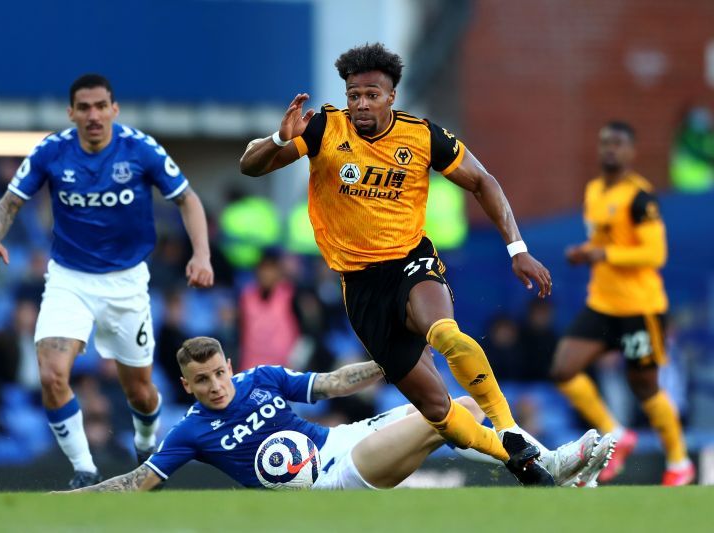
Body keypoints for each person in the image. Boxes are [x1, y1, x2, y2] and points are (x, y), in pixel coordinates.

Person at [239, 43, 554, 484]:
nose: (361, 104)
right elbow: (250, 168)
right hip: (359, 284)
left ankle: (509, 426)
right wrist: (279, 138)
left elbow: (483, 181)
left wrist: (517, 250)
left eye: (371, 94)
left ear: (391, 97)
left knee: (443, 331)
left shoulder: (422, 136)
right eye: (354, 95)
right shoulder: (324, 128)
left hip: (410, 260)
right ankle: (516, 460)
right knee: (437, 409)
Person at [0, 74, 214, 489]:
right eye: (84, 108)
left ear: (114, 109)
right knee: (52, 374)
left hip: (126, 284)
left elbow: (187, 198)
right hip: (69, 279)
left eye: (100, 106)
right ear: (71, 113)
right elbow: (10, 201)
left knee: (140, 392)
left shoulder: (140, 149)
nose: (93, 115)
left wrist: (201, 254)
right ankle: (84, 470)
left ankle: (145, 444)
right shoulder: (51, 151)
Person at [63, 337, 614, 492]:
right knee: (436, 417)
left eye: (219, 374)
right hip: (330, 478)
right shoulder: (190, 431)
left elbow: (328, 384)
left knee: (463, 405)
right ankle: (547, 467)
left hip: (343, 440)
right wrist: (66, 504)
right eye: (201, 381)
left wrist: (386, 362)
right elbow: (139, 481)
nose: (215, 386)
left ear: (230, 366)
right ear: (186, 385)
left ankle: (550, 471)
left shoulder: (261, 379)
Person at [550, 121, 695, 486]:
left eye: (617, 144)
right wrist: (586, 253)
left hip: (639, 307)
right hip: (602, 304)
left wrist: (602, 252)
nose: (609, 149)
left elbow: (655, 252)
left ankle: (679, 461)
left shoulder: (640, 197)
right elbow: (603, 240)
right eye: (604, 143)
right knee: (564, 370)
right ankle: (616, 431)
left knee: (644, 386)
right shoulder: (594, 190)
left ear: (632, 152)